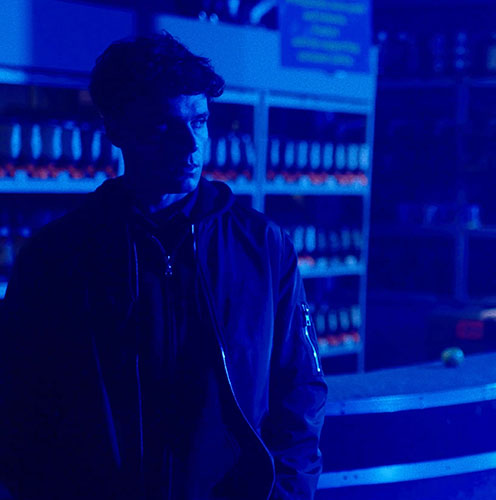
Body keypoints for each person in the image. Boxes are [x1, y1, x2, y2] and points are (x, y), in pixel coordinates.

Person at [0, 33, 327, 500]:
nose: (190, 145)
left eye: (199, 121)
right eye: (162, 126)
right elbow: (20, 401)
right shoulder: (56, 256)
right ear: (116, 129)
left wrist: (287, 492)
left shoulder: (264, 247)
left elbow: (300, 386)